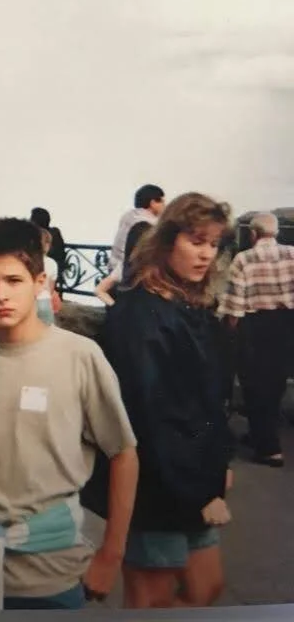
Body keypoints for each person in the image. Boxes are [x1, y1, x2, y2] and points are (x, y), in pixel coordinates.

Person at [0, 218, 139, 610]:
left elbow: (123, 453)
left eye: (14, 280)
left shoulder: (80, 357)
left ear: (40, 281)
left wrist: (111, 555)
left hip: (56, 571)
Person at [101, 193, 234, 608]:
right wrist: (200, 490)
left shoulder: (188, 304)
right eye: (196, 241)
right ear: (168, 240)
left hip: (193, 476)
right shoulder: (141, 312)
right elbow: (149, 414)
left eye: (213, 244)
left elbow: (209, 401)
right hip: (154, 485)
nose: (206, 255)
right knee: (152, 599)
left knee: (204, 588)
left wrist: (219, 464)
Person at [218, 212, 294, 468]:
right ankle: (261, 434)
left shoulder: (244, 259)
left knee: (254, 385)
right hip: (286, 324)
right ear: (277, 232)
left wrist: (230, 332)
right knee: (276, 382)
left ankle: (269, 448)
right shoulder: (292, 254)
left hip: (255, 326)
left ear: (252, 234)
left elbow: (235, 307)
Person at [109, 185, 166, 274]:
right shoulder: (148, 222)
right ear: (152, 203)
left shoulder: (128, 216)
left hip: (114, 267)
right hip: (128, 272)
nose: (164, 206)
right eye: (162, 202)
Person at [36, 229, 60, 326]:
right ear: (48, 246)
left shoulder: (26, 262)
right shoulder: (52, 263)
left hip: (29, 301)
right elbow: (51, 287)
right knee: (47, 330)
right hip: (44, 299)